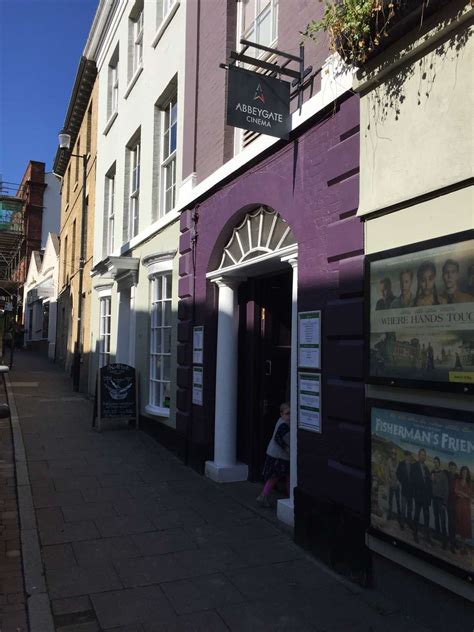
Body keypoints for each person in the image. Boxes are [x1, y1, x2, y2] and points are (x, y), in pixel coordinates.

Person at [256, 403, 290, 508]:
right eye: (287, 413)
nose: (290, 416)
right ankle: (263, 495)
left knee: (286, 475)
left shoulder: (283, 422)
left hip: (278, 455)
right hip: (278, 456)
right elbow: (278, 438)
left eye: (291, 413)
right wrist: (287, 448)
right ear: (281, 414)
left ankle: (290, 496)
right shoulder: (284, 424)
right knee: (276, 476)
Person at [411, 448, 433, 544]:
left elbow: (428, 484)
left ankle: (427, 536)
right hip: (418, 496)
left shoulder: (427, 468)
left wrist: (430, 479)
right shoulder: (414, 466)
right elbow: (413, 480)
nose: (423, 456)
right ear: (418, 455)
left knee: (427, 517)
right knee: (416, 515)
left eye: (424, 455)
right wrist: (423, 478)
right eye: (421, 455)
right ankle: (415, 534)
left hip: (426, 498)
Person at [431, 457, 449, 549]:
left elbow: (446, 490)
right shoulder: (433, 473)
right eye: (434, 462)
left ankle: (444, 541)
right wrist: (432, 480)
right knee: (436, 518)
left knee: (443, 521)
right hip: (434, 499)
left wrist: (444, 503)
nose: (435, 464)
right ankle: (437, 535)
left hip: (441, 500)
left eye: (437, 462)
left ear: (439, 463)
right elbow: (432, 486)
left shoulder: (443, 474)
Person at [454, 466, 473, 555]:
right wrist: (465, 495)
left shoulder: (470, 484)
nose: (464, 473)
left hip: (466, 508)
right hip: (458, 506)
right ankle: (456, 544)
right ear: (461, 472)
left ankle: (462, 546)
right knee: (458, 524)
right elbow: (456, 491)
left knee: (465, 526)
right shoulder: (458, 481)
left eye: (466, 471)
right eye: (463, 471)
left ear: (468, 473)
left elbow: (471, 496)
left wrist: (463, 495)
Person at [397, 451, 414, 529]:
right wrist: (402, 481)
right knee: (403, 508)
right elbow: (398, 474)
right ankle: (402, 523)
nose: (408, 457)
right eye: (407, 456)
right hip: (404, 489)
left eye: (409, 456)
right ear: (405, 456)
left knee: (410, 509)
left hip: (411, 491)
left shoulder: (412, 465)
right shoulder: (401, 464)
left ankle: (409, 522)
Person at [386, 449, 401, 525]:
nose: (393, 454)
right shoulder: (388, 461)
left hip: (397, 485)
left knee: (398, 502)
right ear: (391, 453)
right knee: (390, 501)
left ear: (396, 454)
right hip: (391, 484)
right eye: (392, 453)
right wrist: (389, 480)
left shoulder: (399, 462)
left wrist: (399, 482)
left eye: (395, 453)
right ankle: (389, 515)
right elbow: (387, 473)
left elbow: (400, 473)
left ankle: (399, 517)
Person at [446, 461, 459, 553]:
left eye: (453, 467)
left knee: (455, 524)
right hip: (449, 503)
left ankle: (453, 541)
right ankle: (451, 544)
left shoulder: (457, 477)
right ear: (449, 468)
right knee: (451, 524)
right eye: (450, 467)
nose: (452, 469)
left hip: (457, 504)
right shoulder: (447, 476)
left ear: (455, 468)